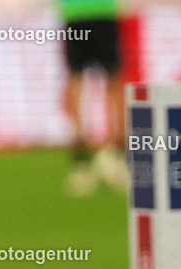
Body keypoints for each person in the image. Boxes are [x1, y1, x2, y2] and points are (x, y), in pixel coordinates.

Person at [60, 0, 128, 197]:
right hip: (102, 11)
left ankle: (82, 158)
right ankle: (118, 151)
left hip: (75, 12)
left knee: (77, 81)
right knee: (113, 80)